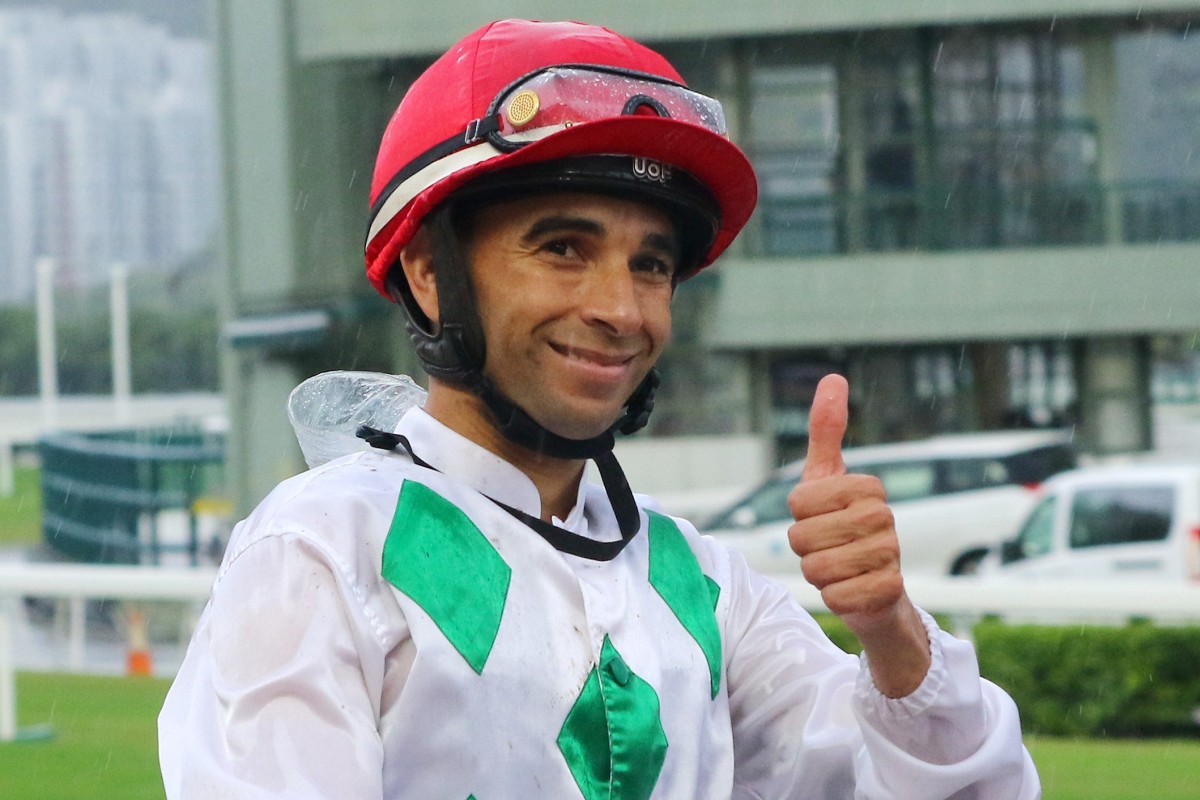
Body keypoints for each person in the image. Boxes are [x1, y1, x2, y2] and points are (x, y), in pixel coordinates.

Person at [158, 19, 1040, 799]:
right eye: (564, 248)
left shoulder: (700, 583)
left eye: (650, 264)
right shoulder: (321, 550)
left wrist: (890, 634)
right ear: (430, 272)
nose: (622, 310)